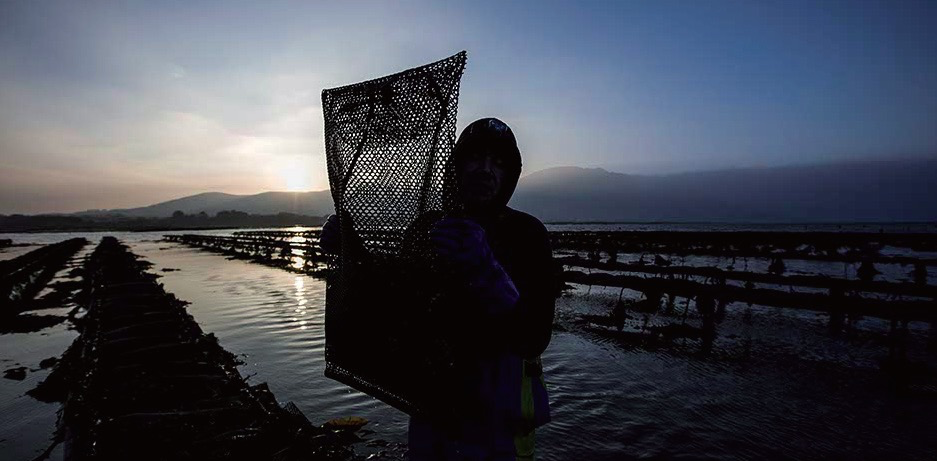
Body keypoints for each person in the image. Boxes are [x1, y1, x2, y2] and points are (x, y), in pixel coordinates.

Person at [321, 117, 557, 460]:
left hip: (498, 415)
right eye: (475, 158)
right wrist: (351, 247)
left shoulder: (527, 234)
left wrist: (485, 266)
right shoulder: (429, 227)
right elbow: (395, 298)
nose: (486, 169)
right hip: (433, 406)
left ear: (510, 176)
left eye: (498, 162)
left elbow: (533, 337)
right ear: (457, 168)